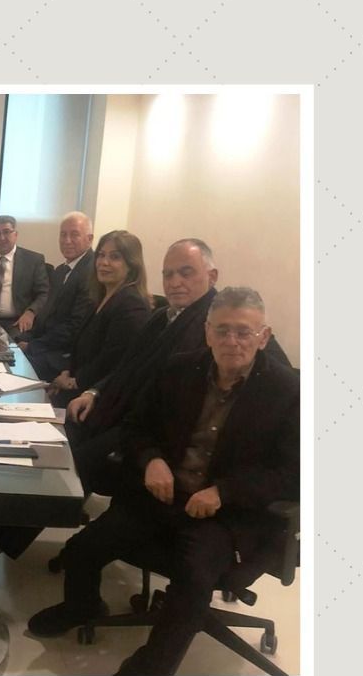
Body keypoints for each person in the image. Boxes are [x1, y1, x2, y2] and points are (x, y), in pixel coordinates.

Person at [27, 287, 299, 675]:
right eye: (222, 330)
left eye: (244, 332)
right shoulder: (178, 370)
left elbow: (293, 474)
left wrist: (224, 492)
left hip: (226, 515)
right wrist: (152, 460)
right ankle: (81, 606)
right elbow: (136, 427)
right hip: (164, 495)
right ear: (207, 333)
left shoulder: (288, 391)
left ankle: (150, 671)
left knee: (192, 578)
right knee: (83, 548)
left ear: (264, 336)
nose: (232, 341)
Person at [64, 238, 219, 495]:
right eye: (168, 274)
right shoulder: (162, 317)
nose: (175, 282)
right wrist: (94, 392)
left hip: (148, 432)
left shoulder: (214, 327)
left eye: (186, 273)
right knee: (59, 439)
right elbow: (128, 366)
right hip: (121, 411)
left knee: (71, 462)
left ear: (212, 277)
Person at [45, 230, 152, 404]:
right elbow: (81, 349)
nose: (104, 262)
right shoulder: (99, 298)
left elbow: (112, 363)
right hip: (76, 384)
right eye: (101, 255)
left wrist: (73, 382)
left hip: (96, 398)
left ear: (132, 264)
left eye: (115, 257)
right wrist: (67, 372)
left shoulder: (132, 306)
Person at [20, 212, 95, 379]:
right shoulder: (60, 271)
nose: (67, 241)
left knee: (16, 367)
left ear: (89, 239)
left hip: (66, 355)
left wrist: (32, 346)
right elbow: (47, 316)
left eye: (74, 234)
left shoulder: (92, 272)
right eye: (63, 235)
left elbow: (74, 327)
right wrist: (24, 339)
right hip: (48, 345)